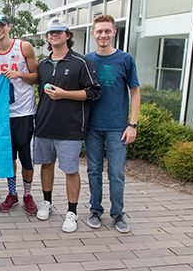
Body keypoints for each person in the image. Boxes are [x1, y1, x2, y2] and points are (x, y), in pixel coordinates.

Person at [34, 17, 101, 233]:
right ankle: (47, 202)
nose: (55, 35)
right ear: (47, 37)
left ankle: (72, 212)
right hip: (44, 125)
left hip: (70, 128)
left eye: (59, 32)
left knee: (71, 170)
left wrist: (65, 95)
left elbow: (94, 92)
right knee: (46, 165)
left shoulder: (81, 62)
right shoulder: (42, 64)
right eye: (51, 33)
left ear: (68, 35)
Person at [0, 13, 39, 216]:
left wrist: (19, 74)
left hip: (24, 111)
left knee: (26, 157)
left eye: (2, 26)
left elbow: (37, 77)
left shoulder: (24, 47)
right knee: (8, 157)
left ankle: (27, 195)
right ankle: (12, 193)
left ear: (9, 26)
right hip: (1, 114)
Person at [84, 14, 140, 233]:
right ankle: (95, 210)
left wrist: (132, 124)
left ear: (114, 32)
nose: (103, 35)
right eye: (99, 31)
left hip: (118, 126)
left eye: (107, 31)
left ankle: (118, 214)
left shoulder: (125, 59)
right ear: (93, 34)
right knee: (93, 170)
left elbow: (135, 92)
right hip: (92, 126)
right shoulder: (87, 60)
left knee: (116, 173)